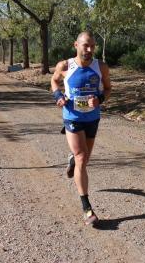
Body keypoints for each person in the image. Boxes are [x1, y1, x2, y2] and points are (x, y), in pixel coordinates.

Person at [50, 31, 112, 225]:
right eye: (85, 45)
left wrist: (99, 99)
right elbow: (54, 81)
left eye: (92, 46)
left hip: (92, 118)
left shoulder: (100, 67)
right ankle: (87, 208)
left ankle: (72, 160)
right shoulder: (65, 66)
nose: (89, 49)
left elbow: (109, 89)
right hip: (72, 116)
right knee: (82, 157)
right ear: (75, 45)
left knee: (83, 162)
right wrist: (58, 97)